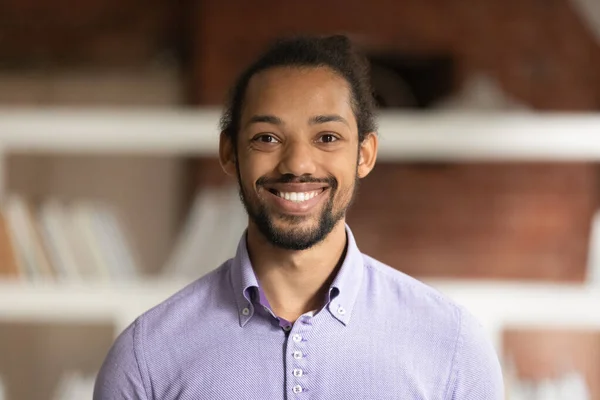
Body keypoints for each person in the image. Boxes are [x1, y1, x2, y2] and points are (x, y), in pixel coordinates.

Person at [94, 34, 503, 399]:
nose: (297, 164)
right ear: (229, 152)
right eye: (267, 138)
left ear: (364, 153)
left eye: (327, 137)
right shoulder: (145, 357)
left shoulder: (453, 346)